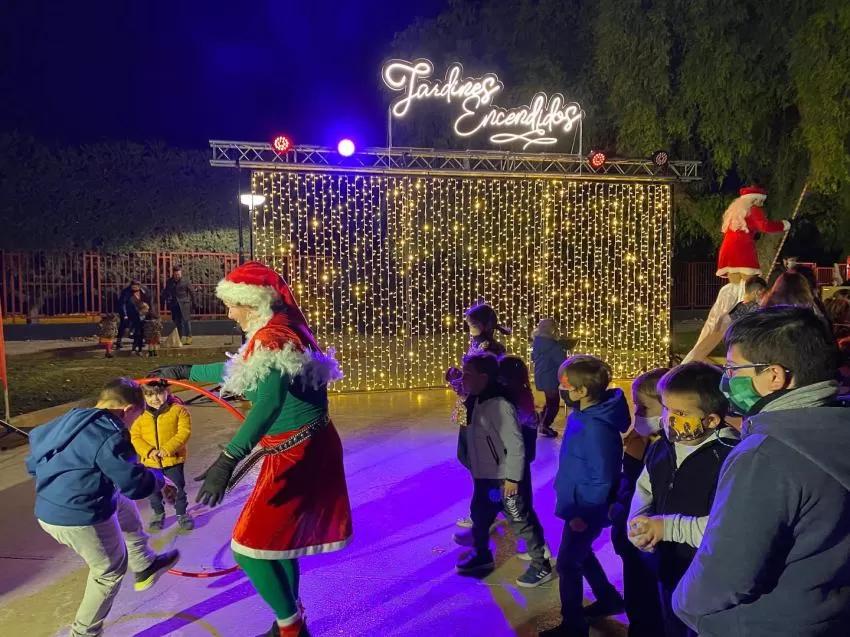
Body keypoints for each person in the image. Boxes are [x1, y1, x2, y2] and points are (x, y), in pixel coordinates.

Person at [151, 261, 351, 637]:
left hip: (298, 455)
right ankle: (289, 620)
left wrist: (227, 460)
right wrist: (184, 371)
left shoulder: (273, 337)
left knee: (247, 546)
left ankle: (291, 629)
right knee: (280, 543)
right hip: (300, 448)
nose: (229, 314)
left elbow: (268, 403)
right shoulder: (277, 329)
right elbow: (243, 369)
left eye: (232, 306)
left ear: (253, 303)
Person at [674, 306, 850, 636]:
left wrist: (683, 603)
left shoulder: (764, 455)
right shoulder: (835, 430)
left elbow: (727, 572)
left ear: (774, 376)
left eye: (732, 369)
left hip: (760, 623)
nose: (726, 380)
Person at [25, 378, 180, 637]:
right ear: (127, 410)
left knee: (121, 502)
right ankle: (84, 633)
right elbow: (135, 485)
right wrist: (159, 480)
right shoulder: (111, 433)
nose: (133, 425)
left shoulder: (72, 418)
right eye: (136, 417)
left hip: (48, 507)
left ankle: (144, 564)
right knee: (108, 571)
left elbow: (33, 461)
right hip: (78, 517)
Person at [627, 363, 739, 637]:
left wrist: (666, 526)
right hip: (668, 566)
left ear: (711, 420)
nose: (668, 419)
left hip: (705, 576)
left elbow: (728, 527)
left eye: (680, 413)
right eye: (666, 408)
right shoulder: (662, 447)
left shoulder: (731, 459)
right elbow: (645, 487)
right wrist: (638, 521)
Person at [541, 355, 629, 637]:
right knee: (581, 553)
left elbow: (602, 476)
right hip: (577, 503)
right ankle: (608, 598)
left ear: (581, 391)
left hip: (586, 508)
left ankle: (574, 625)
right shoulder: (583, 416)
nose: (560, 389)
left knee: (568, 563)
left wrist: (584, 513)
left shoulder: (596, 427)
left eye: (564, 385)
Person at [455, 352, 553, 587]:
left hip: (502, 479)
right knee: (480, 516)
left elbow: (515, 445)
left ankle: (541, 564)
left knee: (519, 519)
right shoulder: (476, 400)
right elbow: (466, 428)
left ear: (483, 377)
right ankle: (482, 555)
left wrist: (512, 478)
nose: (462, 378)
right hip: (485, 477)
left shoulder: (500, 405)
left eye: (467, 374)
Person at [687, 186, 790, 363]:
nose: (761, 204)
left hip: (728, 253)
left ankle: (727, 318)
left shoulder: (736, 211)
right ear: (756, 199)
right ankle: (742, 321)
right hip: (743, 253)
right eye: (760, 200)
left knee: (736, 287)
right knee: (748, 289)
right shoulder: (754, 209)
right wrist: (784, 224)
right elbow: (764, 226)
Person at [609, 368, 668, 637]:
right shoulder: (639, 439)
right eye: (636, 406)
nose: (638, 413)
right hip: (629, 532)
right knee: (636, 597)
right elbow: (627, 481)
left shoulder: (669, 448)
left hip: (653, 538)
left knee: (653, 604)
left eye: (644, 407)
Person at [446, 302, 511, 529]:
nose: (469, 327)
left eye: (472, 324)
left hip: (481, 411)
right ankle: (495, 505)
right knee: (469, 458)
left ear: (484, 325)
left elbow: (482, 383)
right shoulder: (478, 344)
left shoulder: (489, 349)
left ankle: (484, 514)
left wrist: (458, 381)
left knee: (478, 463)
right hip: (472, 408)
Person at [498, 355, 552, 561]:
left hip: (513, 467)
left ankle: (539, 547)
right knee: (517, 504)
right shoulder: (521, 396)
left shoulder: (513, 404)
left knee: (518, 506)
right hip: (515, 465)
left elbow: (516, 443)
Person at [130, 380, 193, 531]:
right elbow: (135, 436)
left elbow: (184, 432)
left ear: (167, 392)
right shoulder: (140, 414)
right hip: (150, 462)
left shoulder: (178, 410)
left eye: (159, 393)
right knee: (153, 490)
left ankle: (181, 513)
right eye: (149, 395)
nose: (155, 398)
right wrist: (148, 451)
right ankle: (158, 513)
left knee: (178, 487)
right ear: (143, 396)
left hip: (173, 460)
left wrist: (167, 449)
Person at [683, 276, 767, 363]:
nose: (763, 295)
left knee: (700, 352)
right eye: (763, 292)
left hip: (731, 337)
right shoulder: (750, 306)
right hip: (734, 339)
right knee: (700, 352)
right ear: (757, 292)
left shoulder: (742, 305)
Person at [532, 318, 575, 437]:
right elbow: (562, 361)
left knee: (550, 402)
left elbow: (534, 358)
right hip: (550, 378)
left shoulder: (538, 342)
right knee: (554, 405)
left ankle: (540, 420)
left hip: (541, 375)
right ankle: (545, 425)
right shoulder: (553, 346)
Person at [162, 265, 195, 345]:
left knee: (186, 321)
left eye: (179, 274)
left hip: (184, 304)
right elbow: (166, 292)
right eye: (176, 274)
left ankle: (189, 337)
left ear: (181, 273)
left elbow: (192, 292)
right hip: (174, 304)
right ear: (173, 274)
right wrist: (167, 300)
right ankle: (179, 337)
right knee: (177, 322)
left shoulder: (186, 281)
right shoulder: (169, 281)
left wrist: (194, 303)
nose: (177, 276)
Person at [115, 280, 148, 351]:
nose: (134, 288)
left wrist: (145, 309)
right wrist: (124, 314)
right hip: (127, 311)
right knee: (123, 326)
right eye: (133, 287)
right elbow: (122, 303)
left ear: (139, 286)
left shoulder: (143, 291)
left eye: (136, 287)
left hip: (138, 311)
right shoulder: (126, 292)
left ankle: (138, 341)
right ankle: (118, 341)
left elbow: (146, 300)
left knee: (139, 327)